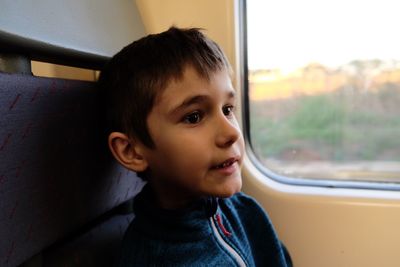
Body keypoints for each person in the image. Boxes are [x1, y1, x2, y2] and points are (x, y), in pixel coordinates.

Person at [98, 27, 292, 267]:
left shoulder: (244, 211)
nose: (231, 133)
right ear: (132, 151)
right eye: (194, 117)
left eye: (228, 110)